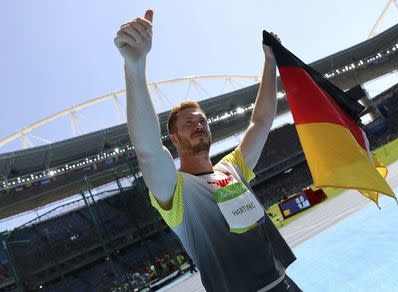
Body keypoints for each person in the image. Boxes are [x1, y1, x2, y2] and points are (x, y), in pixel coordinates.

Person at [115, 9, 301, 292]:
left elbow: (261, 121)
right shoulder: (176, 192)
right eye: (188, 123)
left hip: (285, 285)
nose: (198, 124)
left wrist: (269, 61)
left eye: (202, 120)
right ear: (174, 139)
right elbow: (148, 151)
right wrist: (135, 66)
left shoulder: (232, 168)